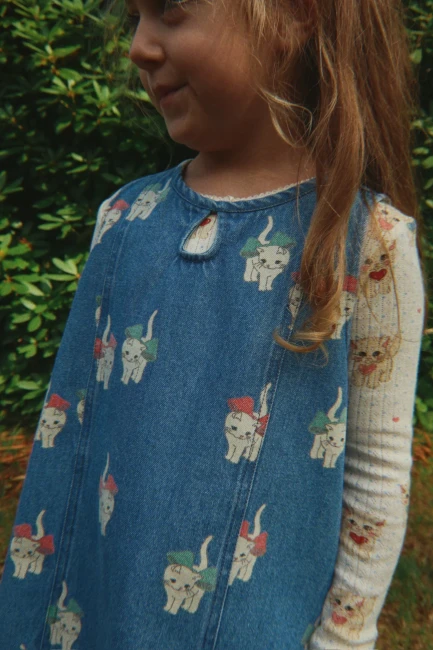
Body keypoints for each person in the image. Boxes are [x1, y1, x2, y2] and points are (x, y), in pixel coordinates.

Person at [0, 0, 428, 648]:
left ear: (295, 15)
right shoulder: (124, 221)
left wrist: (342, 638)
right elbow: (73, 431)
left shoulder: (368, 245)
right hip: (97, 615)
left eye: (169, 9)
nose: (138, 46)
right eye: (134, 18)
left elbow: (375, 476)